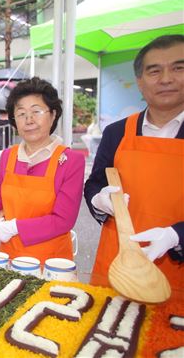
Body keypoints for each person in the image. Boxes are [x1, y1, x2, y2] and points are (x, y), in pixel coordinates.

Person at [84, 34, 184, 288]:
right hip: (115, 263)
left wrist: (176, 236)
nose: (166, 79)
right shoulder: (116, 132)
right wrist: (99, 199)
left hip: (178, 277)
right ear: (140, 82)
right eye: (154, 71)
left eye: (178, 68)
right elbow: (95, 183)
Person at [0, 77, 85, 264]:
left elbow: (63, 220)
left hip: (51, 262)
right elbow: (0, 194)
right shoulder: (8, 155)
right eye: (21, 114)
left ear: (53, 115)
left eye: (36, 111)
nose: (29, 120)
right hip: (9, 256)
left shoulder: (71, 161)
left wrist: (16, 227)